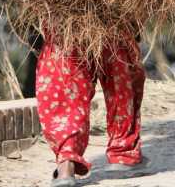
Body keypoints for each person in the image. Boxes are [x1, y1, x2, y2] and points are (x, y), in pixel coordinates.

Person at [37, 37, 147, 186]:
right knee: (122, 76)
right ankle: (124, 154)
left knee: (66, 83)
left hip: (67, 26)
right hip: (113, 22)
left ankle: (66, 163)